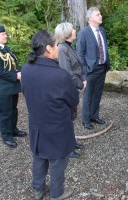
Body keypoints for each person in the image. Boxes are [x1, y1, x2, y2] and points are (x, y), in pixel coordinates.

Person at [21, 30, 78, 200]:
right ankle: (57, 194)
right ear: (48, 48)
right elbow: (73, 100)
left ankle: (38, 189)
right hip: (57, 127)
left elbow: (26, 92)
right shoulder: (60, 76)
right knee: (58, 161)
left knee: (39, 156)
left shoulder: (26, 69)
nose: (59, 48)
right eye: (56, 45)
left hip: (37, 124)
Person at [0, 25, 26, 148]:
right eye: (3, 34)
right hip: (3, 88)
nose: (5, 36)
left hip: (13, 87)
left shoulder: (6, 49)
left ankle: (13, 129)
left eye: (5, 33)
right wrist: (16, 76)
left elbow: (15, 64)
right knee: (4, 113)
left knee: (13, 110)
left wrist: (19, 72)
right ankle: (6, 136)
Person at [76, 6, 111, 130]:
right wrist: (85, 70)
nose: (101, 16)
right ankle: (85, 120)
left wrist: (107, 64)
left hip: (102, 68)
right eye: (98, 14)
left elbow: (104, 48)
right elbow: (79, 54)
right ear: (90, 18)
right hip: (90, 70)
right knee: (88, 96)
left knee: (98, 94)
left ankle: (94, 116)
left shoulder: (102, 31)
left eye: (100, 14)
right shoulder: (83, 33)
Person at [55, 22, 86, 159]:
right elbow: (67, 73)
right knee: (66, 119)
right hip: (67, 89)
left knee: (71, 117)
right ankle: (66, 148)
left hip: (72, 87)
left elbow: (78, 66)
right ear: (67, 33)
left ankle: (71, 143)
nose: (75, 30)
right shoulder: (62, 49)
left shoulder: (68, 46)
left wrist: (82, 79)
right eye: (73, 29)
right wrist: (80, 84)